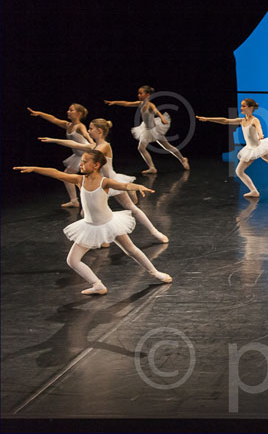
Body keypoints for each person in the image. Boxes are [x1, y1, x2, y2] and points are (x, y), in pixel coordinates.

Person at [13, 150, 172, 296]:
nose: (80, 164)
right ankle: (98, 285)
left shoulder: (104, 182)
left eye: (84, 162)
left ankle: (155, 272)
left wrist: (137, 186)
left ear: (96, 165)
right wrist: (34, 168)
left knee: (131, 250)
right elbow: (56, 173)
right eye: (81, 161)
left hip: (109, 223)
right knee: (72, 261)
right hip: (90, 227)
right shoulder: (79, 180)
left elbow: (123, 185)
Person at [39, 118, 169, 243]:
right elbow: (75, 144)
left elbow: (88, 150)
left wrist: (83, 148)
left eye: (91, 129)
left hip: (111, 181)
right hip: (99, 184)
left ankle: (155, 232)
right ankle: (102, 240)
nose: (88, 131)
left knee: (131, 207)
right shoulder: (95, 146)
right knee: (85, 212)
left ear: (99, 131)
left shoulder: (104, 146)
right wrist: (53, 140)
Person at [197, 98, 268, 198]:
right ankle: (254, 191)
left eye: (244, 106)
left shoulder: (254, 120)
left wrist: (261, 135)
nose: (241, 108)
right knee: (239, 171)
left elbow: (259, 128)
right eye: (241, 106)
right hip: (250, 149)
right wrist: (207, 119)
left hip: (259, 147)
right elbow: (225, 121)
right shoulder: (242, 120)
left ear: (250, 108)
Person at [105, 85, 189, 174]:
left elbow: (156, 111)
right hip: (146, 129)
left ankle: (183, 159)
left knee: (167, 146)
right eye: (138, 93)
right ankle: (152, 168)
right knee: (141, 148)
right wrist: (114, 102)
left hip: (154, 129)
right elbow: (127, 103)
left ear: (147, 95)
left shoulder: (150, 105)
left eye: (141, 93)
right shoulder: (140, 103)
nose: (138, 95)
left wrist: (162, 118)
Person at [27, 103, 93, 207]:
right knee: (67, 175)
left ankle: (93, 198)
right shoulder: (68, 125)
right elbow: (53, 119)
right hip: (77, 155)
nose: (68, 112)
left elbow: (85, 134)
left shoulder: (80, 126)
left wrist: (92, 142)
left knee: (90, 176)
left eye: (71, 110)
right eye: (68, 110)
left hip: (86, 154)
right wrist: (40, 113)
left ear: (79, 113)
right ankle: (74, 200)